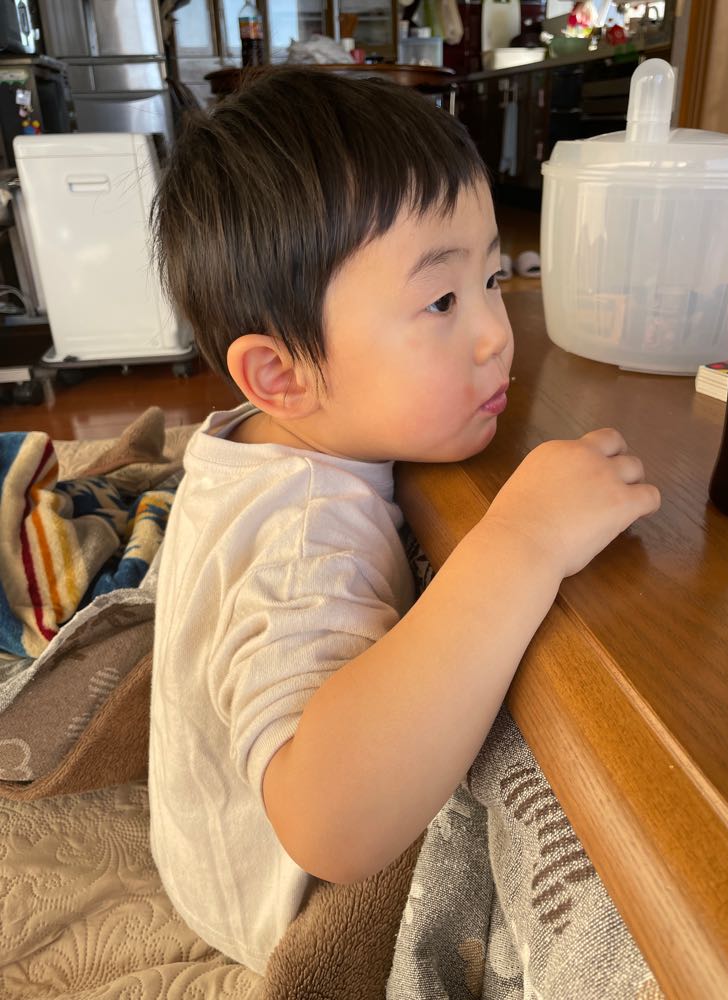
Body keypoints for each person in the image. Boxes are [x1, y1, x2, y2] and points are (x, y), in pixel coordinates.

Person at [148, 67, 660, 974]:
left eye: (493, 277)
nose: (497, 332)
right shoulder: (303, 536)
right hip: (271, 902)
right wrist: (524, 541)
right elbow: (331, 823)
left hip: (200, 842)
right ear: (280, 375)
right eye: (442, 301)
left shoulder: (264, 437)